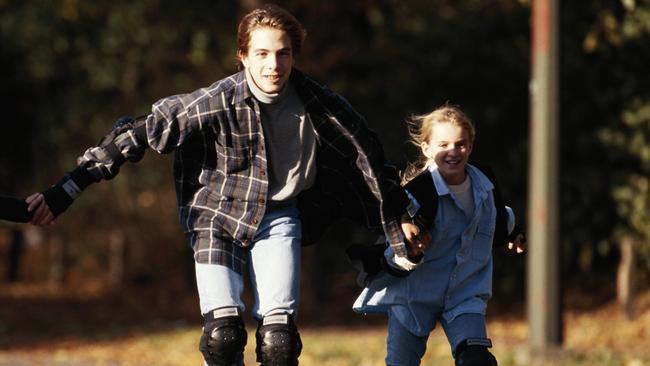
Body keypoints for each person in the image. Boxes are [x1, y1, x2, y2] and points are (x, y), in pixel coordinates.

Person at [26, 4, 425, 365]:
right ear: (243, 57)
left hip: (280, 215)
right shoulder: (218, 100)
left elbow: (369, 157)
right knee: (223, 337)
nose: (274, 66)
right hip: (215, 217)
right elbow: (139, 134)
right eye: (262, 54)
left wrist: (402, 216)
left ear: (294, 55)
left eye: (283, 53)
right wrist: (66, 191)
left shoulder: (318, 104)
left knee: (279, 344)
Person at [352, 105, 525, 366]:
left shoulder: (485, 187)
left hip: (465, 292)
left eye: (460, 144)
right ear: (427, 149)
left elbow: (499, 216)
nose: (453, 152)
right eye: (443, 144)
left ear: (471, 145)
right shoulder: (414, 196)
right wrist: (410, 249)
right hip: (414, 295)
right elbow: (393, 242)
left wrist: (514, 234)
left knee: (476, 361)